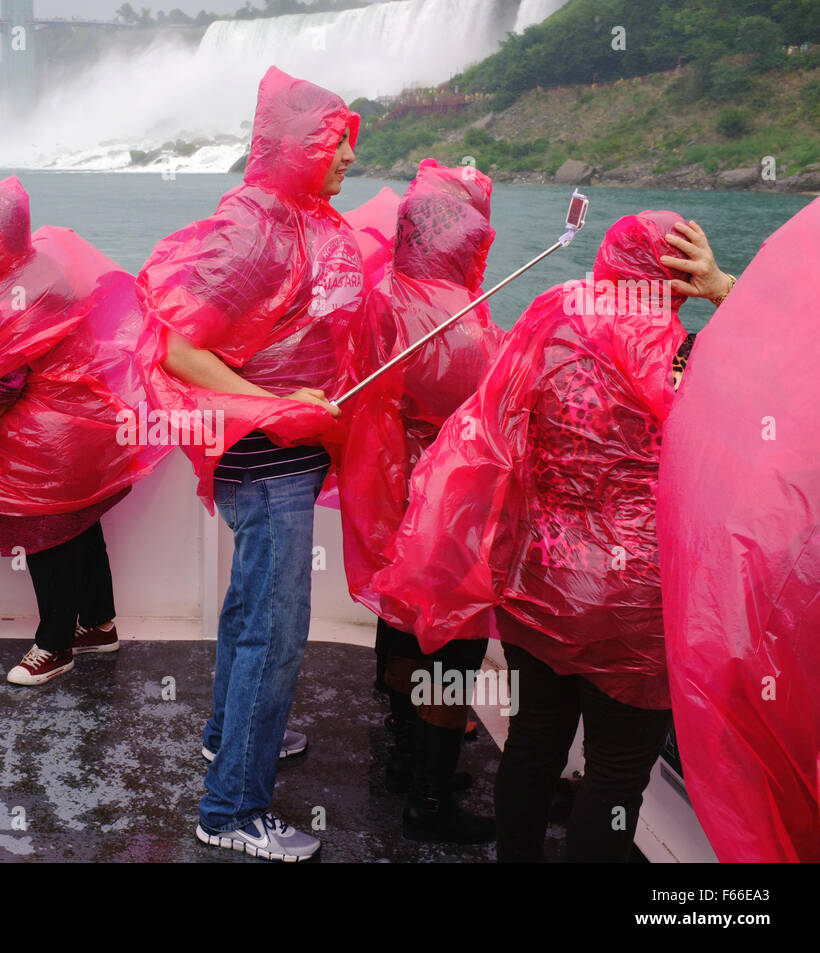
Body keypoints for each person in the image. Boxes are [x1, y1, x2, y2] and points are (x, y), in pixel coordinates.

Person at [377, 211, 734, 861]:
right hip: (632, 601)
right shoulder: (693, 358)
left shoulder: (551, 315)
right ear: (680, 274)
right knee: (617, 773)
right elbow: (790, 359)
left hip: (541, 570)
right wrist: (721, 288)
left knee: (534, 739)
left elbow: (490, 424)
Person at [137, 67, 365, 862]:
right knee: (274, 631)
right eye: (336, 144)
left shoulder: (295, 218)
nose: (347, 160)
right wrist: (272, 406)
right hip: (266, 458)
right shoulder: (254, 229)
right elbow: (179, 346)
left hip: (277, 456)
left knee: (247, 614)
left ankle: (222, 738)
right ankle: (231, 807)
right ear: (299, 147)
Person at [0, 176, 167, 686]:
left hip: (47, 444)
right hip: (77, 429)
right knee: (81, 528)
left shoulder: (21, 295)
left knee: (46, 538)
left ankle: (55, 645)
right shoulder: (37, 268)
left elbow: (2, 387)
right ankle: (99, 624)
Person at [340, 159, 504, 843]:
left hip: (387, 496)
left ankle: (408, 757)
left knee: (403, 624)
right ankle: (432, 799)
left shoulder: (384, 297)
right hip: (445, 508)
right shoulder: (460, 323)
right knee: (454, 649)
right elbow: (486, 411)